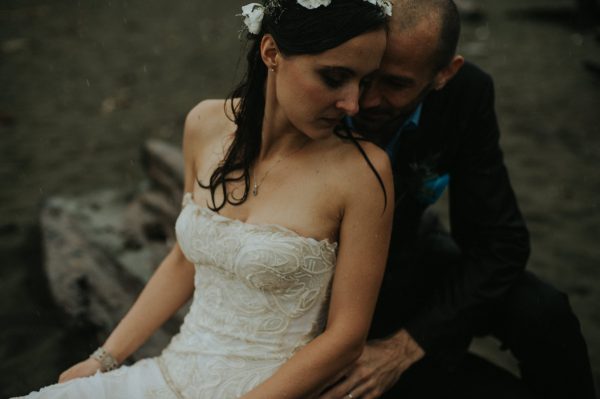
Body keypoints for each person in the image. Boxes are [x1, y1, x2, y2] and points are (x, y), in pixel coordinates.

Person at [15, 1, 395, 398]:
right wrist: (104, 359)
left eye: (364, 82)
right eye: (335, 77)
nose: (353, 104)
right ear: (271, 53)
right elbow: (182, 260)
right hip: (167, 374)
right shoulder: (205, 124)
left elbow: (346, 337)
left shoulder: (363, 174)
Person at [320, 0, 597, 398]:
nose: (364, 101)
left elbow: (500, 242)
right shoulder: (318, 84)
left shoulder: (467, 95)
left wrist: (406, 346)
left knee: (544, 312)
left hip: (405, 255)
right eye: (364, 76)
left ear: (443, 74)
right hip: (319, 271)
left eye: (395, 84)